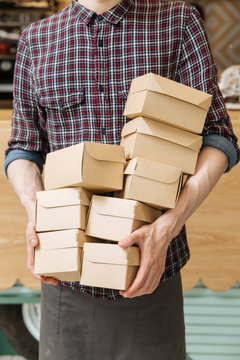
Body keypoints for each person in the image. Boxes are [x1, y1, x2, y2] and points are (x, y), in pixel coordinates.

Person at [4, 0, 239, 359]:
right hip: (68, 278)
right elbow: (24, 149)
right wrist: (38, 212)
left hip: (152, 271)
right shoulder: (37, 39)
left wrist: (169, 224)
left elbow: (218, 137)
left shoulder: (178, 21)